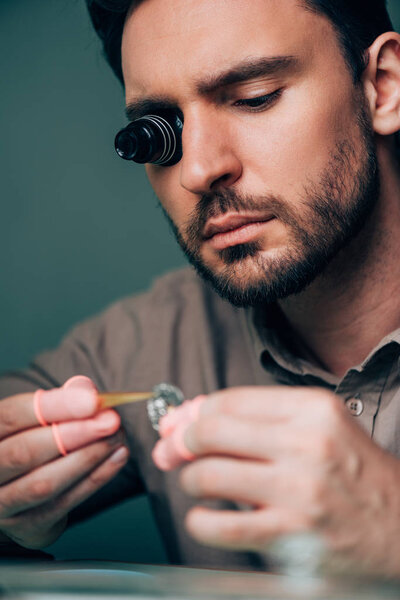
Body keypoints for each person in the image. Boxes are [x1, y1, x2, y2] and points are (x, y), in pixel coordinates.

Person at [1, 0, 400, 576]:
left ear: (381, 87)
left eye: (254, 97)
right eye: (161, 131)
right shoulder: (145, 347)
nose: (198, 169)